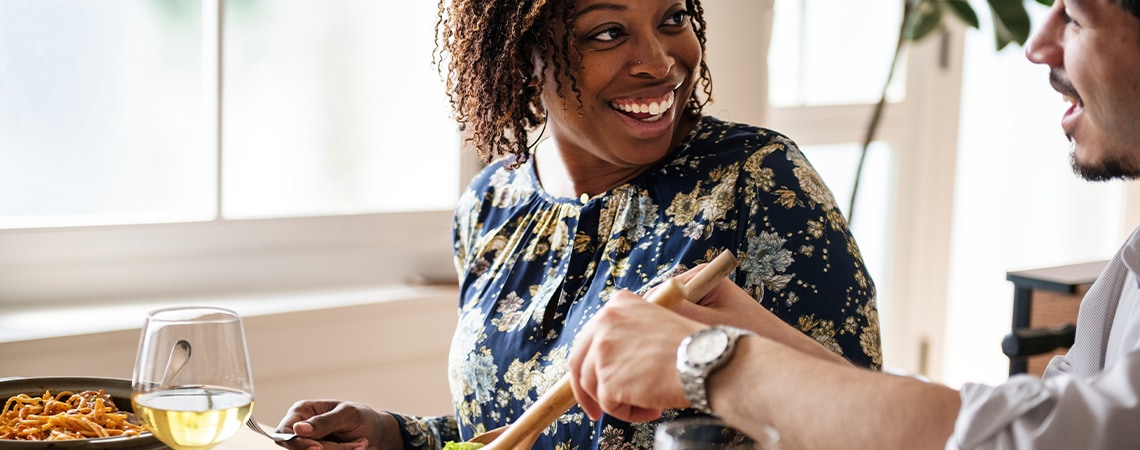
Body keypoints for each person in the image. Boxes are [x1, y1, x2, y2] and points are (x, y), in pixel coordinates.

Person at [275, 0, 880, 449]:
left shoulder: (758, 181)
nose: (659, 61)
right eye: (608, 32)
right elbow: (529, 423)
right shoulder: (491, 204)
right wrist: (397, 436)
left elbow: (868, 421)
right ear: (523, 58)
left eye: (671, 18)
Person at [565, 0, 1140, 448]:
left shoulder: (759, 174)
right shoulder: (1127, 275)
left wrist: (708, 360)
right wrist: (758, 343)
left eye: (1077, 17)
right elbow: (1034, 418)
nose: (1038, 46)